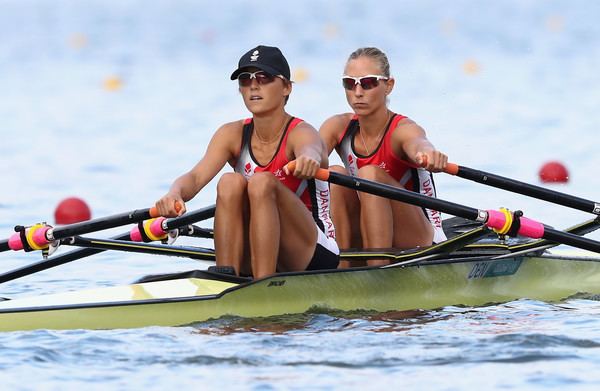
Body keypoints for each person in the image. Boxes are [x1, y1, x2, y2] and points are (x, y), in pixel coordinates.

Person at [154, 45, 339, 278]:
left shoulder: (301, 132)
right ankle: (225, 276)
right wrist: (174, 193)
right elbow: (196, 177)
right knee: (229, 182)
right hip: (259, 245)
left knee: (262, 182)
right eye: (245, 79)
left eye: (264, 77)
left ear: (286, 87)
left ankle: (263, 285)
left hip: (314, 252)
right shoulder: (231, 134)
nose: (253, 85)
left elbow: (312, 148)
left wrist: (308, 159)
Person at [319, 47, 448, 267]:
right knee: (334, 174)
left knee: (369, 173)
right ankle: (343, 267)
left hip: (421, 237)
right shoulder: (337, 126)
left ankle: (376, 270)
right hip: (369, 227)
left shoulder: (402, 129)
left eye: (368, 83)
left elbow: (418, 142)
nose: (358, 92)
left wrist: (427, 154)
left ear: (388, 85)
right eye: (350, 83)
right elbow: (311, 152)